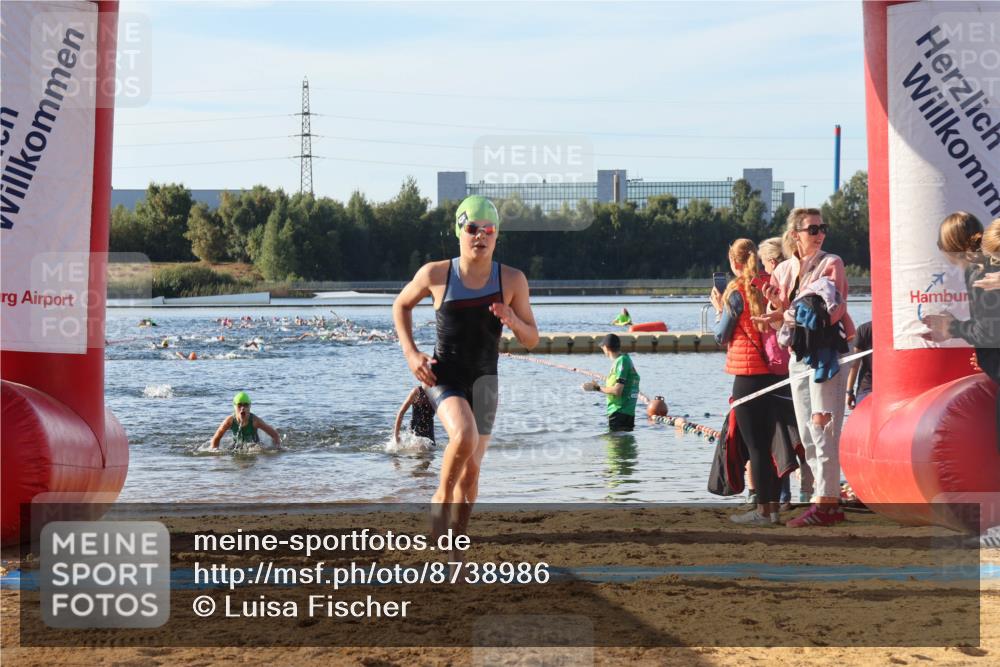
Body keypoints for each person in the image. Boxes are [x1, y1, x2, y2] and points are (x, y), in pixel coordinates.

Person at [393, 195, 538, 540]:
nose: (480, 236)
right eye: (473, 229)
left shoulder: (512, 280)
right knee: (464, 435)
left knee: (472, 471)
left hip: (486, 381)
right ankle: (440, 498)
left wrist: (513, 319)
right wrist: (412, 354)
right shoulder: (437, 273)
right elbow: (401, 306)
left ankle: (456, 545)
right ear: (459, 231)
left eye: (489, 230)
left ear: (496, 236)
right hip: (444, 376)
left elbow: (531, 338)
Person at [755, 208, 856, 528]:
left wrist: (786, 310)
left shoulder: (832, 263)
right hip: (798, 353)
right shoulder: (783, 269)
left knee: (823, 425)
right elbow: (782, 317)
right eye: (813, 229)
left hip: (826, 351)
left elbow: (831, 311)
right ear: (795, 234)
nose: (820, 233)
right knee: (808, 430)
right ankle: (825, 501)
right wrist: (775, 307)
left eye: (822, 228)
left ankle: (826, 503)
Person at [712, 239, 787, 525]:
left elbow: (721, 335)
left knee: (755, 447)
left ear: (734, 261)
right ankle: (774, 509)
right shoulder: (770, 283)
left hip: (747, 376)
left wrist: (719, 308)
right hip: (778, 374)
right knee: (772, 447)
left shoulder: (736, 291)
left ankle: (763, 512)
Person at [921, 212, 999, 452]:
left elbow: (989, 331)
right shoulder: (986, 267)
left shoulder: (978, 272)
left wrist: (951, 327)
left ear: (948, 247)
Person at [758, 237, 813, 510]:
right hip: (797, 366)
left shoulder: (774, 288)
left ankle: (782, 497)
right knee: (802, 435)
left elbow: (770, 331)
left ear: (771, 262)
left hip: (777, 373)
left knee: (778, 439)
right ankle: (808, 492)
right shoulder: (799, 282)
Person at [582, 333, 640, 432]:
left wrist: (596, 388)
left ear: (606, 347)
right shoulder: (623, 360)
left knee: (614, 446)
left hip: (619, 412)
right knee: (624, 445)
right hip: (626, 413)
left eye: (602, 347)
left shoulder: (621, 361)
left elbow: (617, 390)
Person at [210, 391, 280, 450]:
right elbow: (216, 438)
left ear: (250, 407)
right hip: (236, 445)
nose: (242, 408)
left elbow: (275, 435)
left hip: (254, 446)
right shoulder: (229, 421)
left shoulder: (255, 421)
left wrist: (276, 449)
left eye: (246, 405)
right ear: (234, 406)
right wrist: (215, 454)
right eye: (239, 405)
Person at [846, 321, 873, 408]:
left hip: (866, 387)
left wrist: (849, 392)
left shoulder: (864, 329)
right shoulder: (897, 329)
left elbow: (854, 365)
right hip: (889, 388)